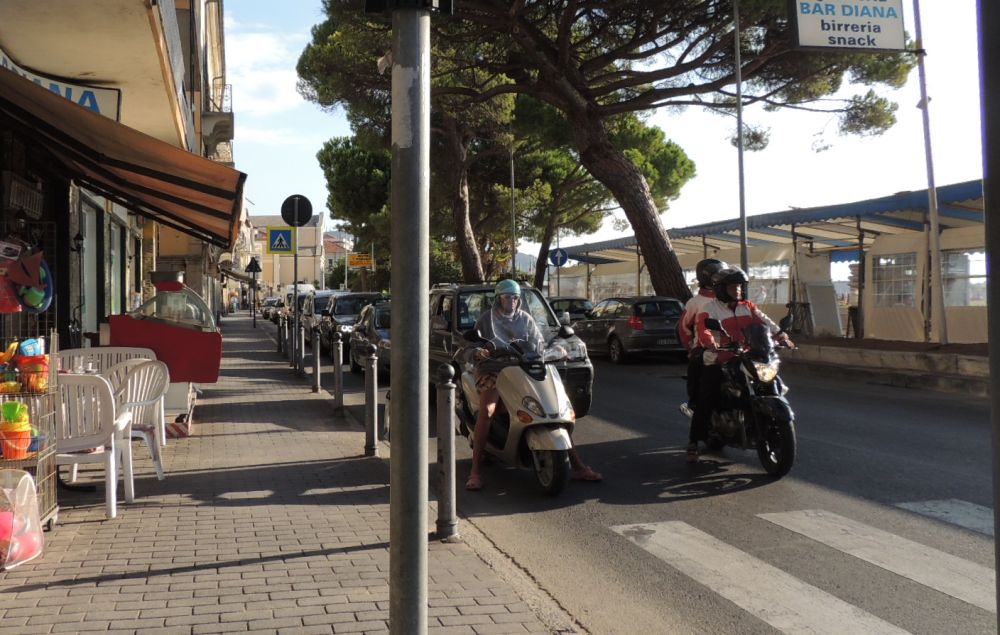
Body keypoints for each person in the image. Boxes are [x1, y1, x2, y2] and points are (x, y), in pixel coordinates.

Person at [465, 279, 602, 491]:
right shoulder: (486, 320)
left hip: (523, 368)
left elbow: (541, 341)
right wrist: (478, 352)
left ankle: (578, 466)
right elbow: (472, 346)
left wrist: (557, 348)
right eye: (506, 297)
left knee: (554, 412)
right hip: (494, 368)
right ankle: (475, 471)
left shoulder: (526, 319)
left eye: (515, 297)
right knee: (488, 411)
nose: (511, 301)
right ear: (498, 299)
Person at [687, 266, 793, 463]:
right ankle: (694, 441)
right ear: (720, 289)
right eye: (732, 287)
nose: (737, 290)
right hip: (720, 357)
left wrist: (782, 336)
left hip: (748, 355)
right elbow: (704, 331)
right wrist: (712, 343)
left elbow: (765, 322)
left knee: (771, 381)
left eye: (739, 286)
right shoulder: (709, 309)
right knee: (707, 397)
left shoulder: (747, 306)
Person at [678, 258, 728, 416]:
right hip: (706, 348)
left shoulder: (730, 299)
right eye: (718, 276)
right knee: (696, 369)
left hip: (731, 348)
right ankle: (694, 404)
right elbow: (684, 327)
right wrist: (691, 348)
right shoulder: (695, 302)